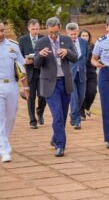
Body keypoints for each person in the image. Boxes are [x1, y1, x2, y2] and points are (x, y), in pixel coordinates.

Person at [34, 17, 78, 157]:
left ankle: (55, 137)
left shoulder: (66, 40)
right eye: (51, 32)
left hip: (65, 82)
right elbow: (36, 63)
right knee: (57, 114)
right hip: (49, 84)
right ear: (47, 29)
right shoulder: (41, 42)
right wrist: (40, 55)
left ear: (59, 29)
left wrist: (67, 52)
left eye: (56, 32)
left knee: (63, 115)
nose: (53, 36)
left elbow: (75, 57)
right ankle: (60, 145)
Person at [0, 20, 30, 162]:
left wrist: (26, 87)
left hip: (11, 85)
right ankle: (5, 150)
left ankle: (3, 141)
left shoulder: (13, 46)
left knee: (11, 116)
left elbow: (21, 68)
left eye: (2, 30)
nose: (1, 34)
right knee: (0, 118)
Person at [91, 16, 109, 149]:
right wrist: (96, 64)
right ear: (107, 28)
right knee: (106, 107)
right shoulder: (101, 42)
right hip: (105, 75)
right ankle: (108, 138)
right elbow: (93, 58)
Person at [18, 19, 46, 129]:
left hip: (42, 72)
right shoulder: (23, 40)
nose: (35, 31)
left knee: (43, 96)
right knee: (31, 97)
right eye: (33, 29)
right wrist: (25, 60)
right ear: (29, 28)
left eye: (37, 29)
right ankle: (32, 121)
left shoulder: (43, 39)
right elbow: (19, 57)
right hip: (29, 72)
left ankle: (39, 112)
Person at [66, 23, 89, 130]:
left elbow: (86, 56)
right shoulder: (64, 43)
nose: (74, 36)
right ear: (67, 33)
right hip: (70, 74)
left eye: (75, 34)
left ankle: (73, 113)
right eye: (71, 34)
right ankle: (76, 120)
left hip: (82, 73)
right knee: (73, 98)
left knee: (81, 97)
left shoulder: (84, 42)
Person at [78, 29, 97, 120]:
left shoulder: (93, 46)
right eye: (83, 36)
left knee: (92, 92)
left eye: (87, 35)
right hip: (80, 73)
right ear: (79, 37)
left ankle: (87, 107)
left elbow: (97, 57)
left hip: (91, 72)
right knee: (82, 93)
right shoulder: (77, 46)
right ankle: (81, 114)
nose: (85, 37)